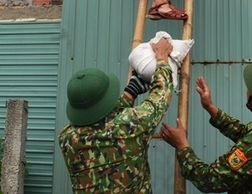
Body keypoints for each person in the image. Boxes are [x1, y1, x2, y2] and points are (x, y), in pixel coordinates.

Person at [160, 61, 252, 193]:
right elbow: (246, 134)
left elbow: (208, 180)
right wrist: (211, 108)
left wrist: (181, 145)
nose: (248, 90)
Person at [58, 38, 174, 193]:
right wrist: (162, 58)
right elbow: (161, 94)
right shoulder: (133, 125)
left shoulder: (67, 138)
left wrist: (130, 92)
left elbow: (103, 120)